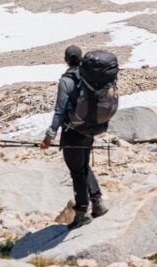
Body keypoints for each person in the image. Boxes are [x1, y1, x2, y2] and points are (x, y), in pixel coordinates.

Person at [40, 45, 108, 229]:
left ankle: (82, 213)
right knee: (83, 166)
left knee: (77, 171)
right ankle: (98, 203)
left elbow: (59, 111)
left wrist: (49, 136)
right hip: (90, 129)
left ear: (66, 59)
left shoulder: (66, 81)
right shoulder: (90, 77)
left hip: (73, 133)